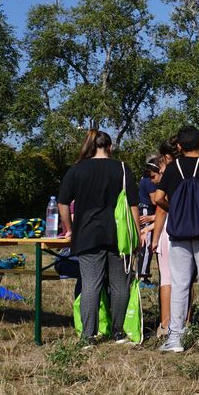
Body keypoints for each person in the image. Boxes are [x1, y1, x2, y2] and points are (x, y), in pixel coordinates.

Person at [151, 126, 199, 353]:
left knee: (179, 283)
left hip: (178, 231)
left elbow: (158, 197)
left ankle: (175, 336)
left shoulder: (173, 167)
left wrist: (175, 210)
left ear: (178, 146)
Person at [57, 130, 139, 346]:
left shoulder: (77, 170)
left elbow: (62, 203)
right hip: (118, 235)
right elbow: (132, 205)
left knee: (90, 285)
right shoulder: (122, 169)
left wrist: (70, 228)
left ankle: (88, 336)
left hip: (87, 234)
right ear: (110, 147)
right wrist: (136, 235)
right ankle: (119, 332)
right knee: (121, 285)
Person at [153, 138, 179, 338]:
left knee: (167, 279)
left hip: (169, 230)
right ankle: (184, 322)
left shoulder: (170, 173)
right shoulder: (192, 170)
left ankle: (165, 325)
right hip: (189, 229)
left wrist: (154, 238)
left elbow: (160, 204)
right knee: (185, 280)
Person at [136, 154, 161, 284]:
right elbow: (154, 199)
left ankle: (142, 274)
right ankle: (143, 277)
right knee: (146, 244)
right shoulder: (148, 180)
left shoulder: (144, 179)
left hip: (147, 210)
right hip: (147, 209)